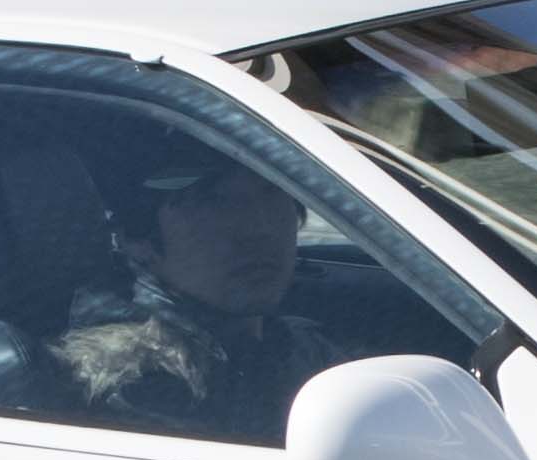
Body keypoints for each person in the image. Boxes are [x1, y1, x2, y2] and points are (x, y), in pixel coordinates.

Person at [54, 149, 351, 443]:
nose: (259, 228)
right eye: (214, 201)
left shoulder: (297, 349)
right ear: (137, 240)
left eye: (272, 193)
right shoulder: (135, 380)